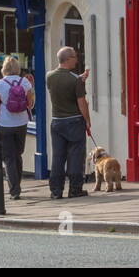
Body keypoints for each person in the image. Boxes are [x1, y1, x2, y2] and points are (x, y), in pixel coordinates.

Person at [46, 46, 91, 199]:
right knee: (75, 156)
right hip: (74, 121)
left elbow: (64, 84)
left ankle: (56, 191)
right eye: (75, 57)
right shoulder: (75, 80)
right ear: (69, 59)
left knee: (58, 157)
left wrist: (79, 80)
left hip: (57, 122)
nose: (77, 60)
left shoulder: (49, 76)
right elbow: (82, 103)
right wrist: (87, 120)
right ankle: (75, 189)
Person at [0, 56, 34, 200]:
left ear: (4, 69)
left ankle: (14, 190)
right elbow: (30, 104)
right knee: (18, 154)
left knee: (9, 158)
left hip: (5, 124)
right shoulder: (25, 82)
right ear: (17, 69)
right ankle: (17, 184)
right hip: (22, 123)